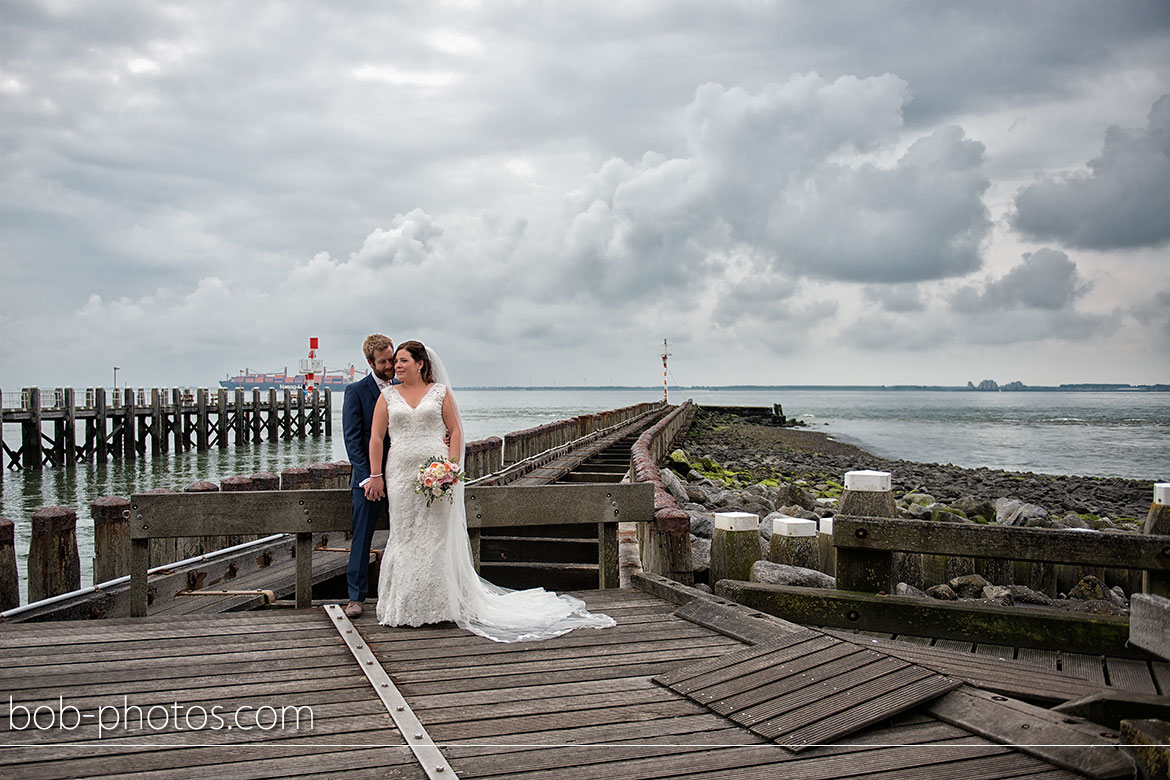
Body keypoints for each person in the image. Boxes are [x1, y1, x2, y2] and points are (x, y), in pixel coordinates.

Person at [365, 340, 615, 642]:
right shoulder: (388, 396)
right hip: (401, 475)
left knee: (436, 535)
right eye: (396, 362)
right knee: (406, 534)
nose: (397, 366)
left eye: (403, 360)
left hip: (436, 471)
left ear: (420, 363)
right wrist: (375, 475)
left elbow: (455, 430)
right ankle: (402, 607)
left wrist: (452, 468)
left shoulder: (440, 393)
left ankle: (444, 604)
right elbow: (377, 437)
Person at [340, 333, 396, 618]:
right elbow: (352, 439)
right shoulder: (356, 391)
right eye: (384, 361)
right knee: (362, 538)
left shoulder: (402, 387)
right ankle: (355, 597)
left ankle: (399, 592)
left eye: (391, 358)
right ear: (370, 362)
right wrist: (367, 477)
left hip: (399, 474)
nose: (390, 365)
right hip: (367, 481)